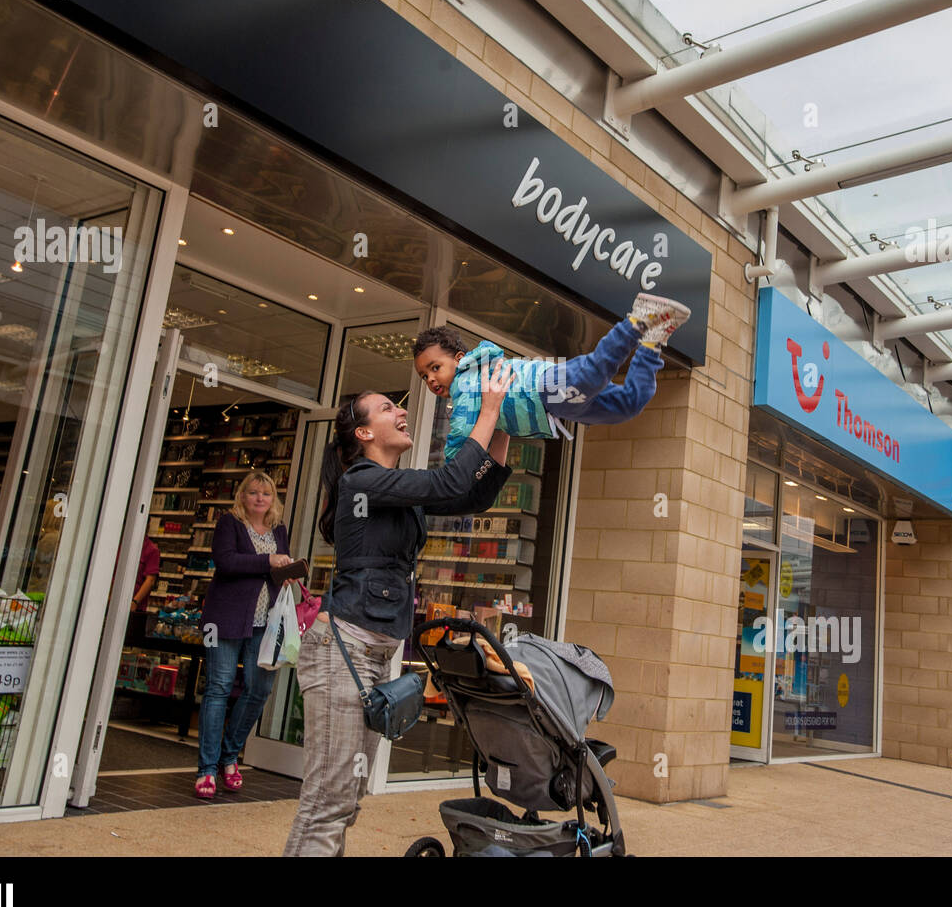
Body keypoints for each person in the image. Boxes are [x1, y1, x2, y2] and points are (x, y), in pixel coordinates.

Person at [283, 364, 514, 857]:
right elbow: (450, 480)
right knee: (329, 800)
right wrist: (487, 410)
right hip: (342, 650)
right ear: (364, 433)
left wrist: (503, 430)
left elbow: (468, 495)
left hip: (373, 655)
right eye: (388, 408)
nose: (403, 410)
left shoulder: (394, 489)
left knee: (348, 799)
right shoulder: (362, 482)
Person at [415, 292, 691, 461]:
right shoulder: (475, 381)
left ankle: (637, 321)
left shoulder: (465, 385)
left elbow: (462, 433)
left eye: (434, 368)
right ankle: (652, 344)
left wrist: (451, 468)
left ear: (459, 359)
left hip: (542, 388)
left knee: (594, 372)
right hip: (556, 405)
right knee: (629, 405)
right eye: (424, 376)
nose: (430, 379)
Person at [196, 469, 292, 800]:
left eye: (265, 494)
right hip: (222, 620)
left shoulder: (279, 529)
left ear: (272, 499)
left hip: (265, 622)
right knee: (218, 689)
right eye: (253, 492)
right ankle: (208, 769)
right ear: (242, 496)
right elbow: (225, 562)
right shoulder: (229, 524)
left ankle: (229, 754)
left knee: (259, 689)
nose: (259, 498)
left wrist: (287, 572)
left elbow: (274, 571)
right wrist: (268, 560)